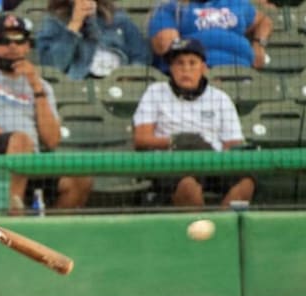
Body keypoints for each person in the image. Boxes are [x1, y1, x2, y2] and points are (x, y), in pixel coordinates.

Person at [0, 13, 92, 210]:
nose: (12, 47)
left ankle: (49, 234)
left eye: (19, 40)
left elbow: (52, 140)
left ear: (27, 46)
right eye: (3, 41)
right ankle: (12, 223)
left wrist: (36, 87)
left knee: (79, 178)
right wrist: (16, 146)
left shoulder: (42, 87)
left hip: (28, 160)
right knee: (21, 140)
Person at [133, 38, 255, 207]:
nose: (186, 69)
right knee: (188, 185)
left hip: (212, 160)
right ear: (171, 68)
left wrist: (217, 157)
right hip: (172, 161)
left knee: (246, 183)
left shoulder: (220, 98)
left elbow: (233, 143)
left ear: (203, 68)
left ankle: (222, 226)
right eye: (179, 63)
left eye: (192, 63)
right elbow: (141, 138)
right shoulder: (155, 92)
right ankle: (202, 228)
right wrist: (175, 141)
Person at [147, 0, 273, 73]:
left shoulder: (235, 3)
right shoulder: (172, 8)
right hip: (198, 75)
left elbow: (264, 20)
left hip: (242, 73)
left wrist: (259, 44)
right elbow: (167, 46)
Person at [36, 0, 150, 80]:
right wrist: (75, 23)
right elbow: (53, 66)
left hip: (117, 84)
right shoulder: (53, 22)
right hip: (77, 84)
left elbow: (141, 55)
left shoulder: (118, 17)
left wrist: (130, 77)